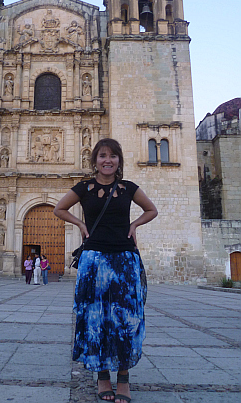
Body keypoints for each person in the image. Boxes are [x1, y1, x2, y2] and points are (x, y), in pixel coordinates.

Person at [54, 138, 158, 403]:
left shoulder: (128, 188)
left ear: (119, 161)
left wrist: (134, 226)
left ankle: (123, 379)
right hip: (94, 260)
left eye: (112, 156)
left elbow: (151, 210)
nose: (107, 160)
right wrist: (80, 224)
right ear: (95, 161)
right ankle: (102, 377)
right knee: (95, 320)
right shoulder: (84, 188)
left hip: (125, 258)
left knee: (127, 320)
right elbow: (59, 209)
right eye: (102, 156)